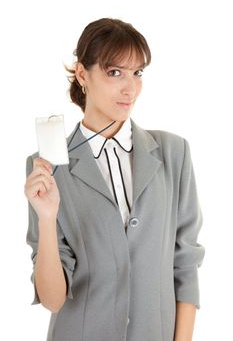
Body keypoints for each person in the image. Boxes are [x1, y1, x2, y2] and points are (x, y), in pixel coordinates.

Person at [24, 18, 205, 341]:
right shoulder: (48, 168)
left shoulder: (173, 153)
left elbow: (185, 263)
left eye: (137, 73)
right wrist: (48, 218)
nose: (130, 88)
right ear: (82, 74)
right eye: (114, 72)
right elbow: (52, 300)